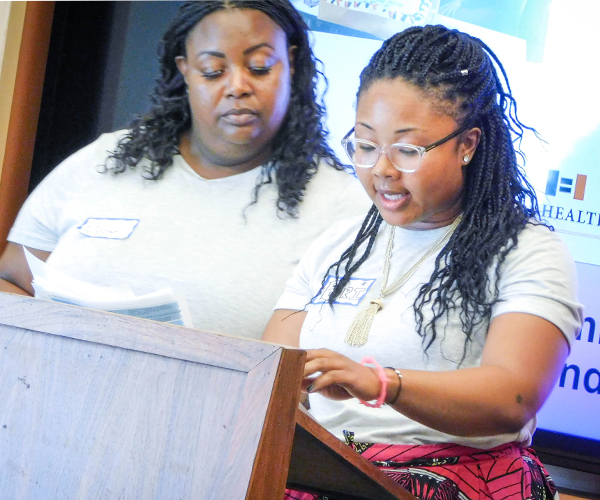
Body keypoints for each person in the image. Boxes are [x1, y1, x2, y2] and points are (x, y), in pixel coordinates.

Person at [263, 25, 582, 499]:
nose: (383, 169)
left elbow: (512, 396)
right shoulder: (336, 245)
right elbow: (272, 371)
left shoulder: (527, 249)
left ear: (468, 144)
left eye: (408, 150)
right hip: (318, 475)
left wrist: (380, 383)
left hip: (452, 483)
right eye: (366, 146)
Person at [0, 0, 369, 339]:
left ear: (291, 64)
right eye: (213, 71)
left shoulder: (342, 207)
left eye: (259, 67)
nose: (237, 87)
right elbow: (11, 280)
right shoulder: (104, 160)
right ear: (186, 71)